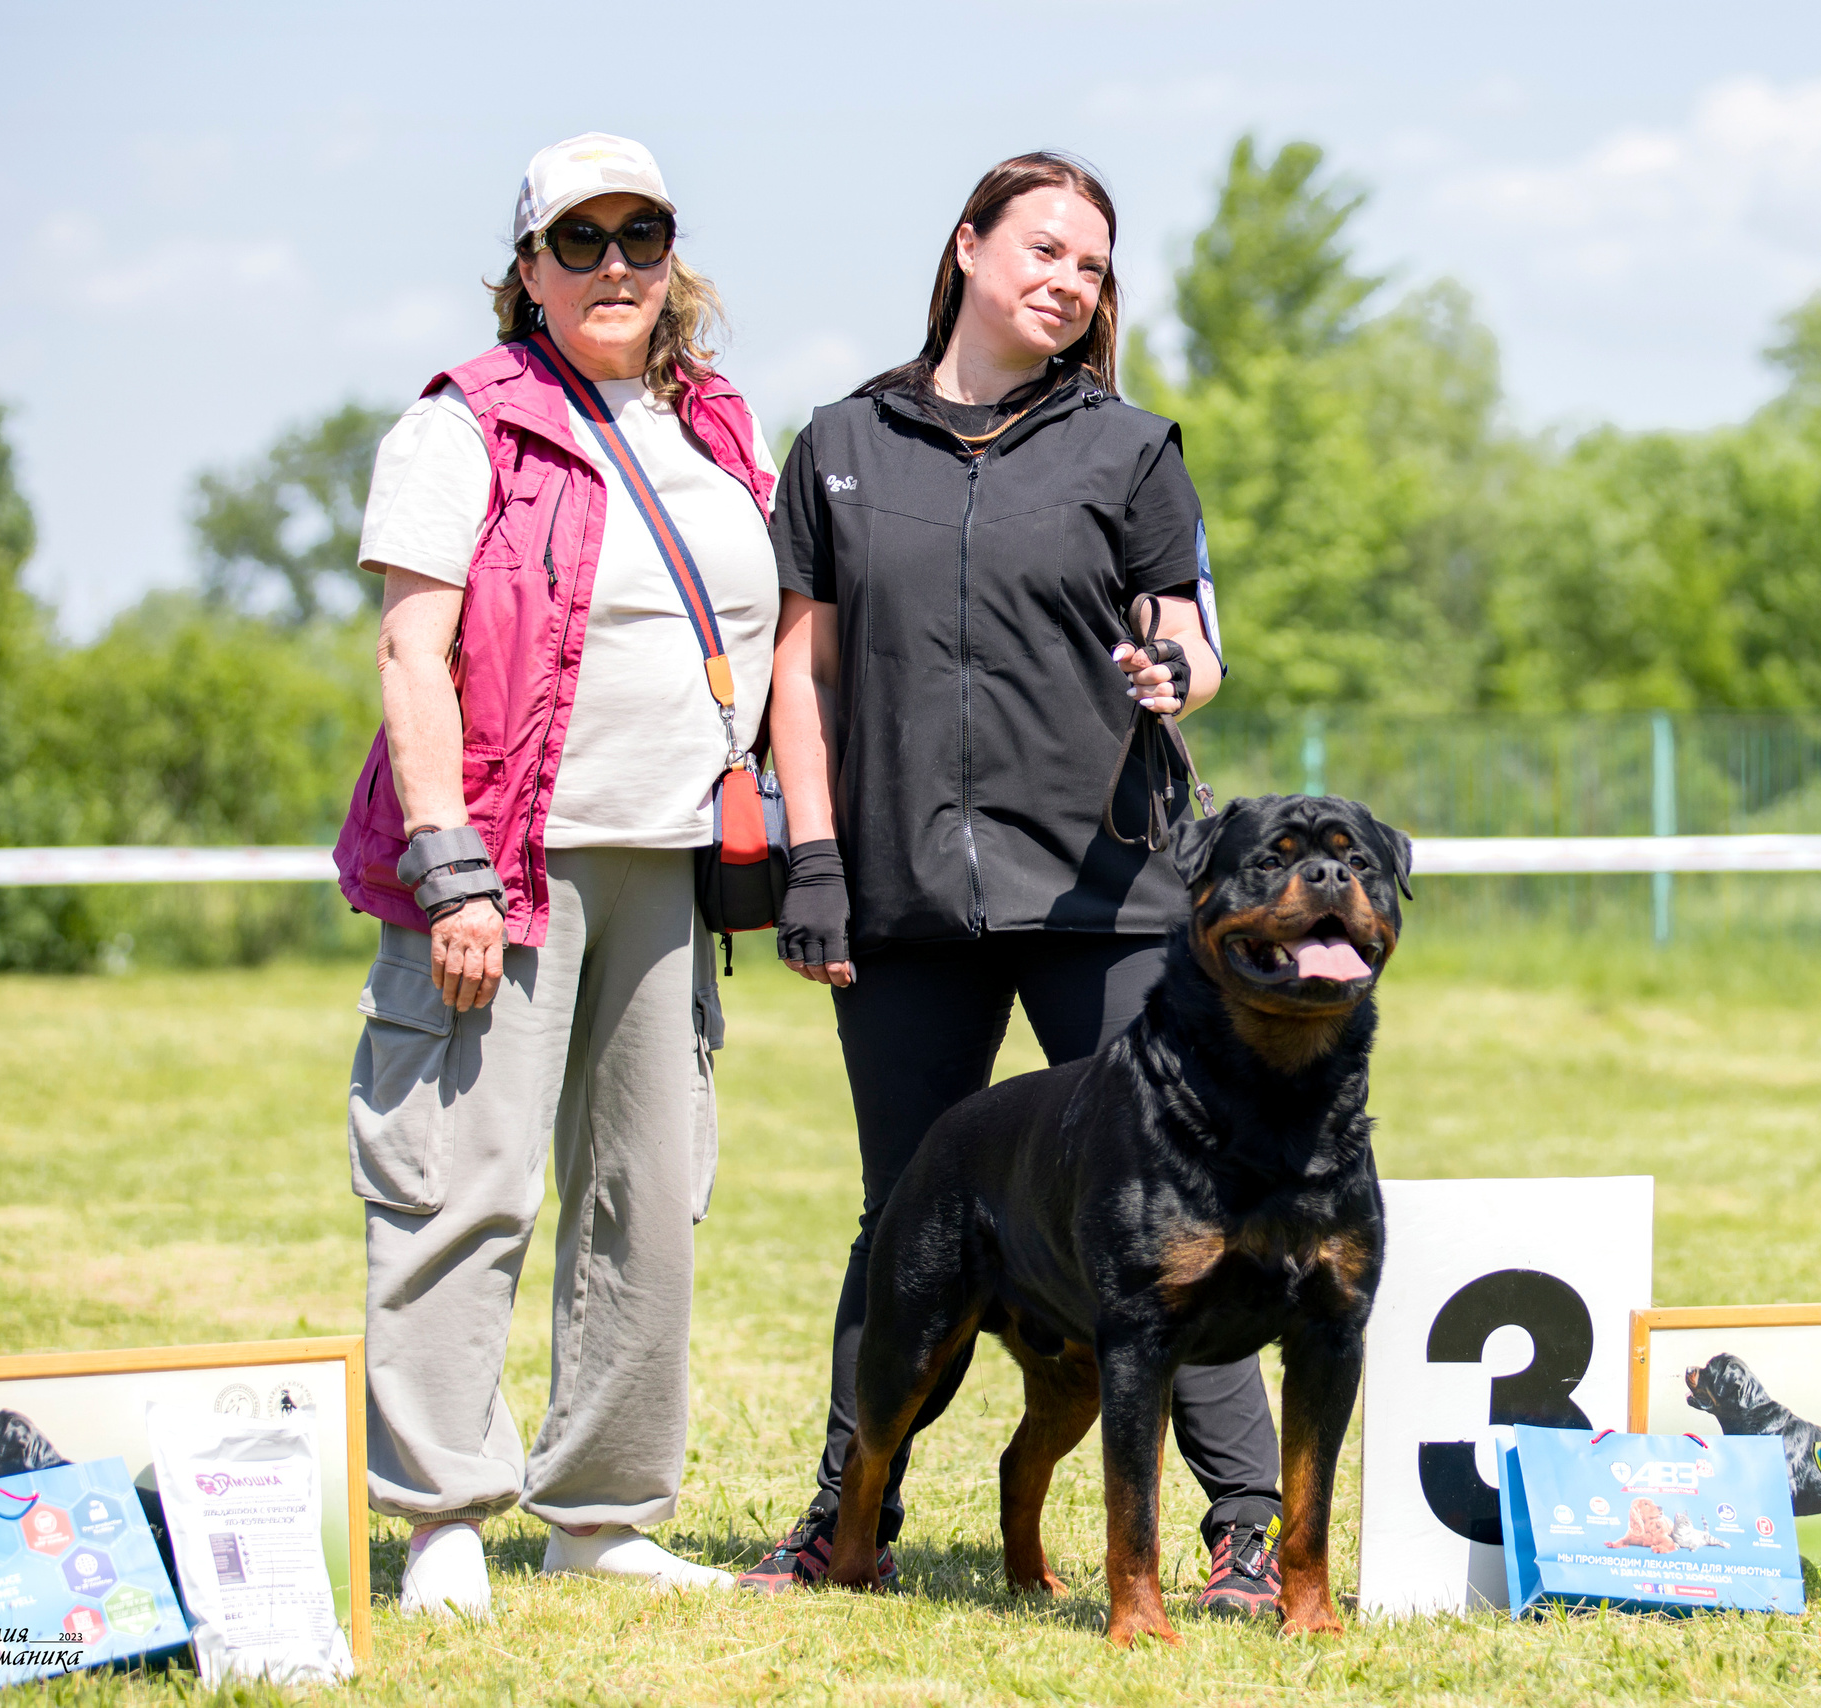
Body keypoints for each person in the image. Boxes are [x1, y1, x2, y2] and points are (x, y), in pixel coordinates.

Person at [738, 152, 1287, 1615]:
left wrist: (1173, 670)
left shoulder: (1129, 449)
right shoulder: (842, 444)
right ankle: (844, 1524)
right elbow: (804, 662)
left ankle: (1243, 1532)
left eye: (1093, 267)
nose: (1069, 280)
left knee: (1172, 1213)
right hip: (903, 896)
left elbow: (1196, 638)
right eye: (1045, 248)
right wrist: (810, 857)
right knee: (901, 1214)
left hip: (1108, 898)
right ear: (968, 247)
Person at [330, 133, 778, 1615]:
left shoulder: (718, 423)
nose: (611, 267)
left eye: (638, 235)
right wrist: (448, 866)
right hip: (505, 862)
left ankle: (601, 1513)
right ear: (525, 271)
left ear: (672, 256)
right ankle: (443, 1514)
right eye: (575, 242)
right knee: (462, 1181)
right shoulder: (465, 424)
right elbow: (412, 647)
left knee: (650, 1194)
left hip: (669, 864)